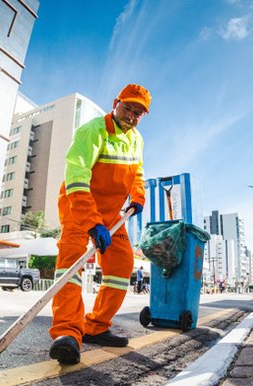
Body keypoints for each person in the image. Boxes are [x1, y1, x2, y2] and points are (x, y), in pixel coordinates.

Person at [49, 83, 151, 365]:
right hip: (78, 207)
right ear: (116, 102)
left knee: (121, 266)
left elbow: (137, 173)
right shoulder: (93, 130)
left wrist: (137, 197)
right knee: (71, 266)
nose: (132, 115)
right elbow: (77, 176)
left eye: (138, 112)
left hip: (112, 214)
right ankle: (67, 333)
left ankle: (95, 326)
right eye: (128, 107)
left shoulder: (137, 139)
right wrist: (92, 223)